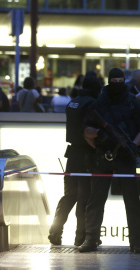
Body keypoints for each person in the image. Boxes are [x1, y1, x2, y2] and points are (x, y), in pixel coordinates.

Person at [78, 68, 140, 254]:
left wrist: (132, 145)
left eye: (120, 80)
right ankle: (91, 238)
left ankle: (136, 242)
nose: (117, 83)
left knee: (132, 201)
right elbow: (86, 131)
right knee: (96, 200)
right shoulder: (99, 103)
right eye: (114, 80)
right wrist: (100, 137)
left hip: (125, 156)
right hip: (103, 155)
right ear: (109, 81)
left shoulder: (132, 103)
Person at [48, 76, 101, 246]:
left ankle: (55, 230)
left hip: (71, 154)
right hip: (86, 154)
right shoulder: (92, 103)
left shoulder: (73, 102)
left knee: (69, 195)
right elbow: (87, 130)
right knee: (84, 198)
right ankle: (81, 237)